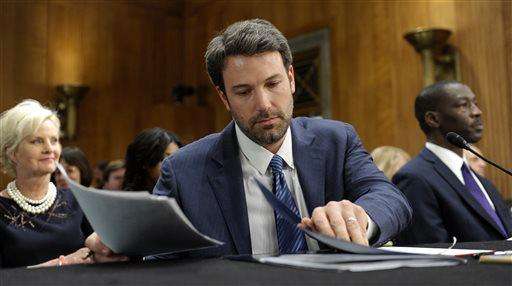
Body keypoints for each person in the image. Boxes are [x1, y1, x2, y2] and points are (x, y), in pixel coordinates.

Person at [86, 19, 411, 261]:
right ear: (224, 97)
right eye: (243, 92)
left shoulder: (336, 141)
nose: (265, 104)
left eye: (273, 84)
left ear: (292, 78)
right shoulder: (184, 170)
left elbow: (390, 199)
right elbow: (152, 248)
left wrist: (360, 218)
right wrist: (120, 245)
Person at [393, 81, 512, 245]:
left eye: (475, 104)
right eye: (464, 105)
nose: (477, 112)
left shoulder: (480, 181)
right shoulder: (414, 178)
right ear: (433, 119)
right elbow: (431, 254)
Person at [0, 100, 93, 268]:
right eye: (37, 141)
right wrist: (62, 262)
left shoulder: (79, 200)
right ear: (13, 153)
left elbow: (98, 254)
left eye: (54, 140)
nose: (50, 149)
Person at [123, 128, 182, 193]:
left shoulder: (183, 196)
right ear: (145, 162)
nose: (175, 167)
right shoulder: (127, 199)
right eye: (165, 160)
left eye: (177, 160)